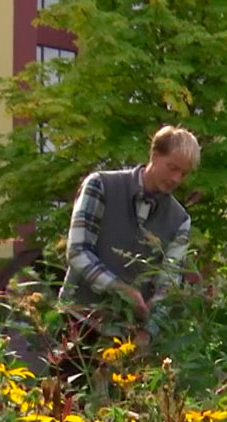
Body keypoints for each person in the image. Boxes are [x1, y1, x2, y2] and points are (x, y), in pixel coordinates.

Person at [58, 125, 200, 350]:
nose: (176, 178)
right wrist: (120, 289)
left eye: (183, 173)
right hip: (78, 320)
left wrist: (147, 331)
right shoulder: (100, 185)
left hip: (128, 336)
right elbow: (77, 251)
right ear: (154, 155)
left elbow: (168, 284)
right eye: (172, 167)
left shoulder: (180, 219)